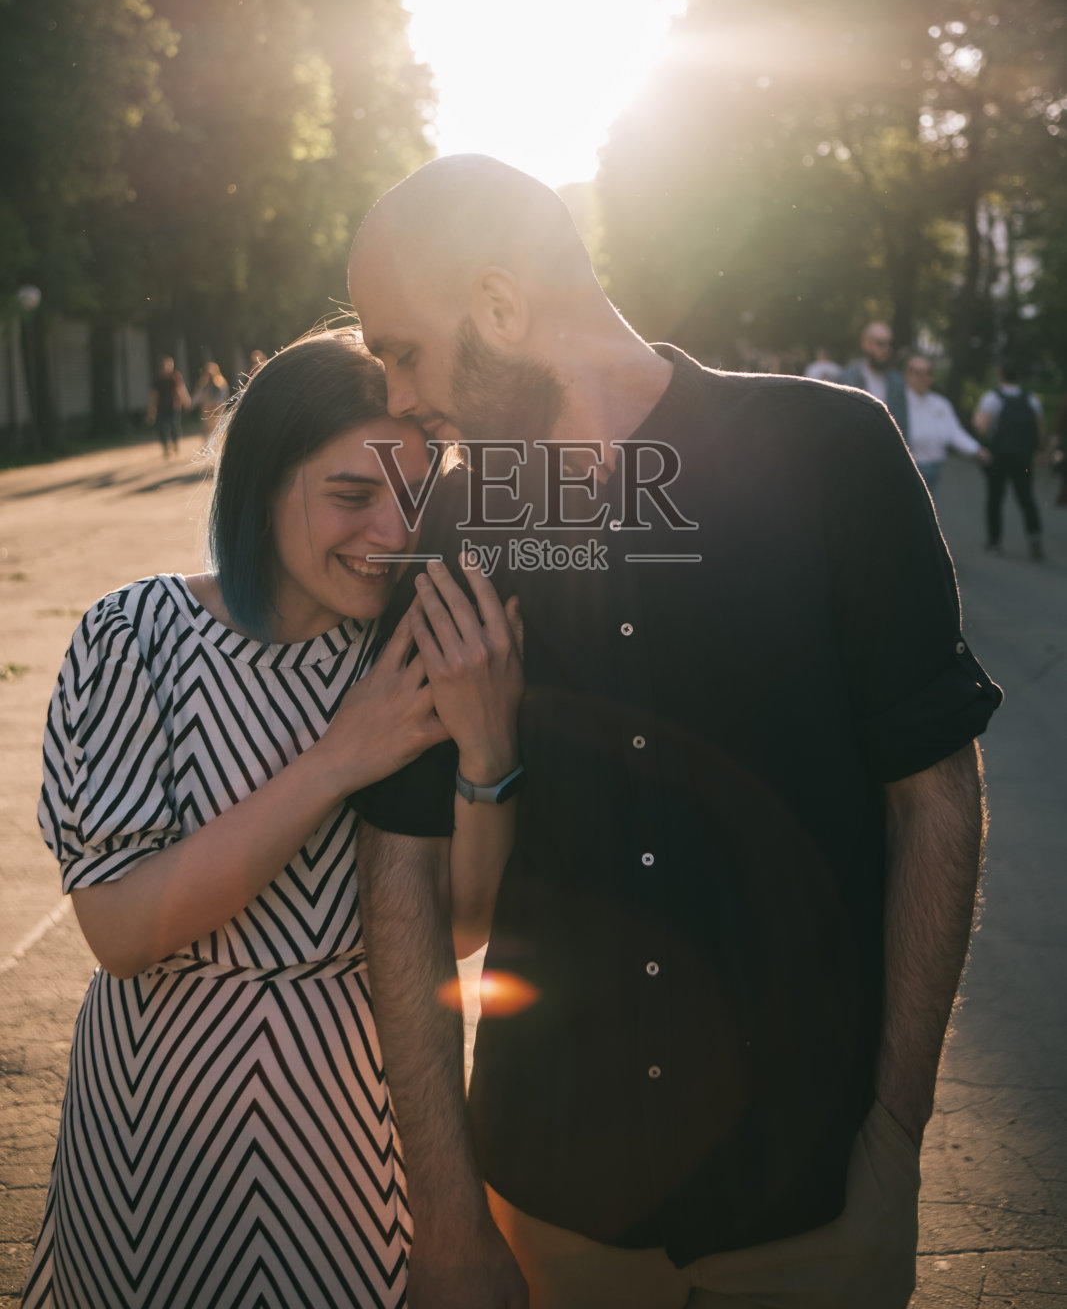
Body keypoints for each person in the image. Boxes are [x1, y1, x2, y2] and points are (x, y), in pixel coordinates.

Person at [346, 155, 1002, 1309]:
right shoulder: (465, 515)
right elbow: (400, 866)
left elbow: (934, 796)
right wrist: (447, 1215)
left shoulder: (829, 452)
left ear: (499, 305)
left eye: (401, 351)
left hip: (813, 1203)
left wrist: (894, 1135)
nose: (396, 395)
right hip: (551, 1202)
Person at [23, 329, 524, 1309]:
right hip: (158, 1124)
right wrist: (338, 759)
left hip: (358, 1127)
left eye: (416, 499)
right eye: (351, 495)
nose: (392, 534)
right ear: (260, 483)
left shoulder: (414, 650)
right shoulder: (137, 635)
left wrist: (487, 753)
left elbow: (461, 928)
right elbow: (120, 930)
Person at [974, 360, 1045, 559]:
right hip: (1023, 457)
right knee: (1026, 497)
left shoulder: (992, 398)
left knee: (995, 498)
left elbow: (983, 427)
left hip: (1000, 456)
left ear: (1000, 375)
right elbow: (1040, 429)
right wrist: (1039, 451)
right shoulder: (1031, 399)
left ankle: (994, 542)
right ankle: (1035, 538)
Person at [903, 353, 989, 495]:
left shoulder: (941, 404)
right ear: (907, 375)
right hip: (909, 468)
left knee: (929, 505)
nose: (923, 378)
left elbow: (954, 432)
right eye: (917, 372)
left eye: (928, 373)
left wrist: (976, 449)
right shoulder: (900, 403)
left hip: (935, 467)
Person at [835, 322, 909, 439]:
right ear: (866, 344)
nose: (886, 349)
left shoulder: (897, 381)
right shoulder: (847, 378)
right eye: (880, 343)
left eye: (889, 344)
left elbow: (902, 426)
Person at [145, 355, 191, 459]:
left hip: (174, 405)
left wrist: (186, 400)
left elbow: (181, 389)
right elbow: (154, 395)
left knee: (174, 425)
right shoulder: (158, 379)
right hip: (161, 406)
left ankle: (175, 443)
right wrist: (151, 410)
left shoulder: (175, 376)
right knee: (162, 427)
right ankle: (166, 447)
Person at [191, 359, 231, 439]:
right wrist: (192, 403)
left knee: (216, 427)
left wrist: (220, 405)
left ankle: (216, 441)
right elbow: (199, 394)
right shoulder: (203, 383)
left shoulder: (220, 382)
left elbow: (223, 396)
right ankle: (208, 442)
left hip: (216, 409)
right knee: (206, 428)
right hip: (206, 409)